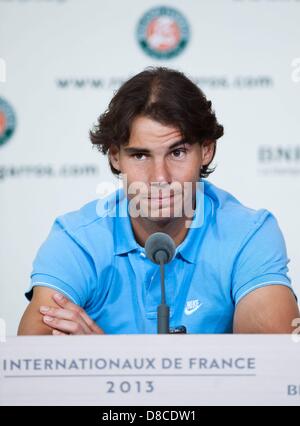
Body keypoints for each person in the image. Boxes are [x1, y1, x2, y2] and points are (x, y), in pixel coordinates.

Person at [18, 67, 299, 335]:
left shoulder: (248, 233)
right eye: (140, 156)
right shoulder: (79, 239)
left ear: (207, 150)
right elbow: (35, 353)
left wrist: (101, 358)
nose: (160, 178)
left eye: (177, 153)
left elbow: (270, 350)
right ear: (115, 156)